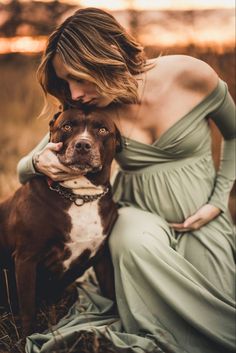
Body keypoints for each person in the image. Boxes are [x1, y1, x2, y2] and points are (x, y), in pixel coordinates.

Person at [17, 7, 235, 353]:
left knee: (217, 298)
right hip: (134, 212)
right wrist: (40, 160)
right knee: (132, 241)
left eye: (80, 77)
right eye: (66, 82)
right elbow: (23, 168)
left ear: (107, 58)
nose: (74, 93)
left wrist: (218, 200)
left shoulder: (191, 74)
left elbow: (234, 134)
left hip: (200, 215)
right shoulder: (96, 112)